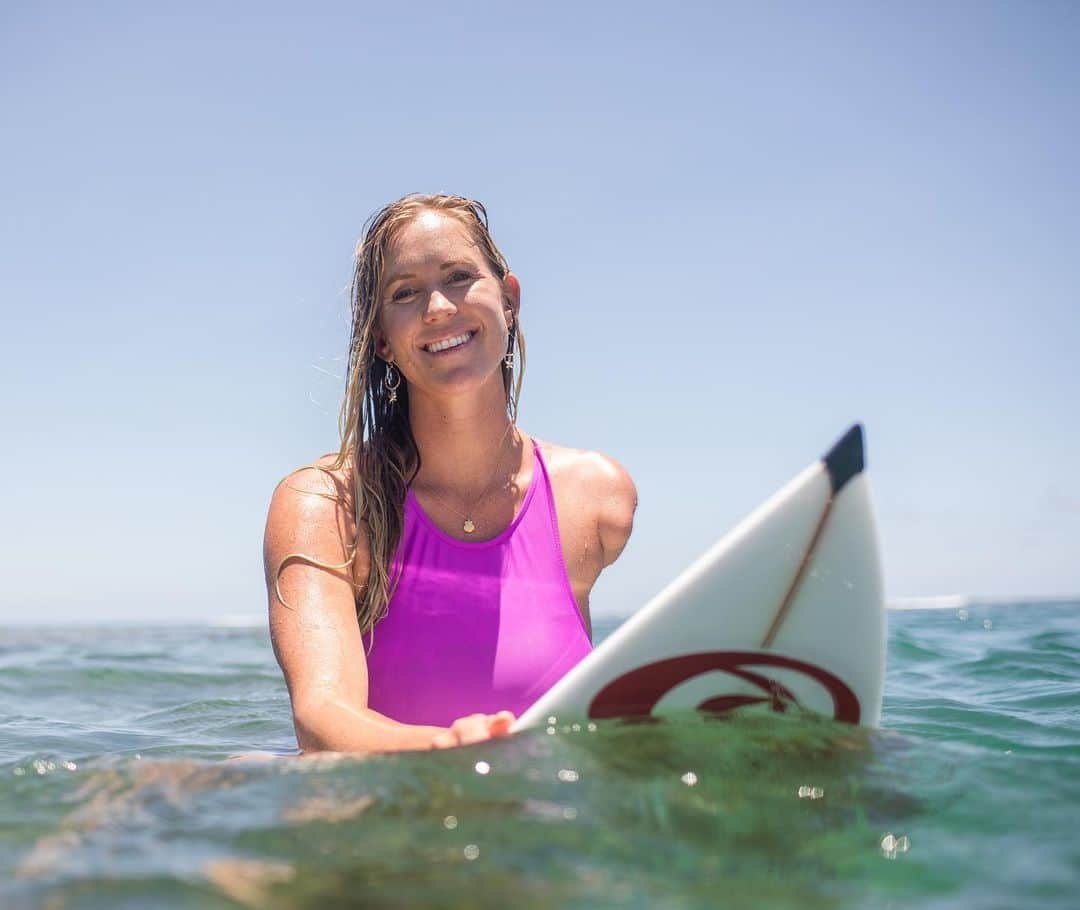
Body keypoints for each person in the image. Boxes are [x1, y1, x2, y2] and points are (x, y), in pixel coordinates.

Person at [263, 194, 636, 753]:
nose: (438, 307)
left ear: (509, 301)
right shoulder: (328, 504)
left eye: (459, 276)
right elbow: (322, 719)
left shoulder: (595, 499)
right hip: (380, 821)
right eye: (405, 292)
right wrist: (452, 754)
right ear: (382, 338)